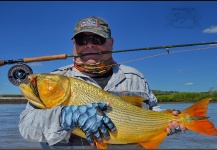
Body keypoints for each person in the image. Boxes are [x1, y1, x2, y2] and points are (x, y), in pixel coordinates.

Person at [19, 16, 186, 149]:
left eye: (97, 39)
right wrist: (62, 118)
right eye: (82, 40)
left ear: (111, 43)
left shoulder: (135, 77)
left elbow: (152, 110)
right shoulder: (56, 79)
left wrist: (169, 121)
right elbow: (27, 129)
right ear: (74, 45)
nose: (89, 45)